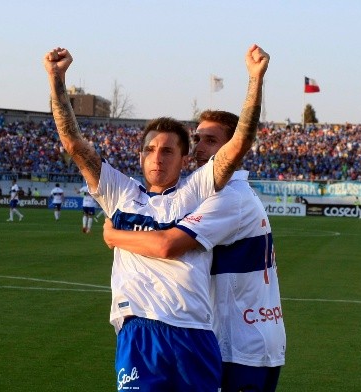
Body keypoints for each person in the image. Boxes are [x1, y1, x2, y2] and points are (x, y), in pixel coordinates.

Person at [44, 43, 267, 390]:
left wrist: (255, 79)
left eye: (167, 150)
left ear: (184, 158)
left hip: (194, 336)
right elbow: (74, 144)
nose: (157, 158)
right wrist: (56, 79)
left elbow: (238, 145)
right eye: (150, 149)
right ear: (140, 156)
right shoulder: (120, 193)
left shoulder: (197, 191)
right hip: (140, 334)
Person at [103, 110, 286, 391]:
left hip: (239, 344)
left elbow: (167, 244)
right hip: (253, 337)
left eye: (211, 141)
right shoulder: (231, 193)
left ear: (233, 149)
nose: (200, 148)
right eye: (198, 139)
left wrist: (115, 235)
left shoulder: (228, 197)